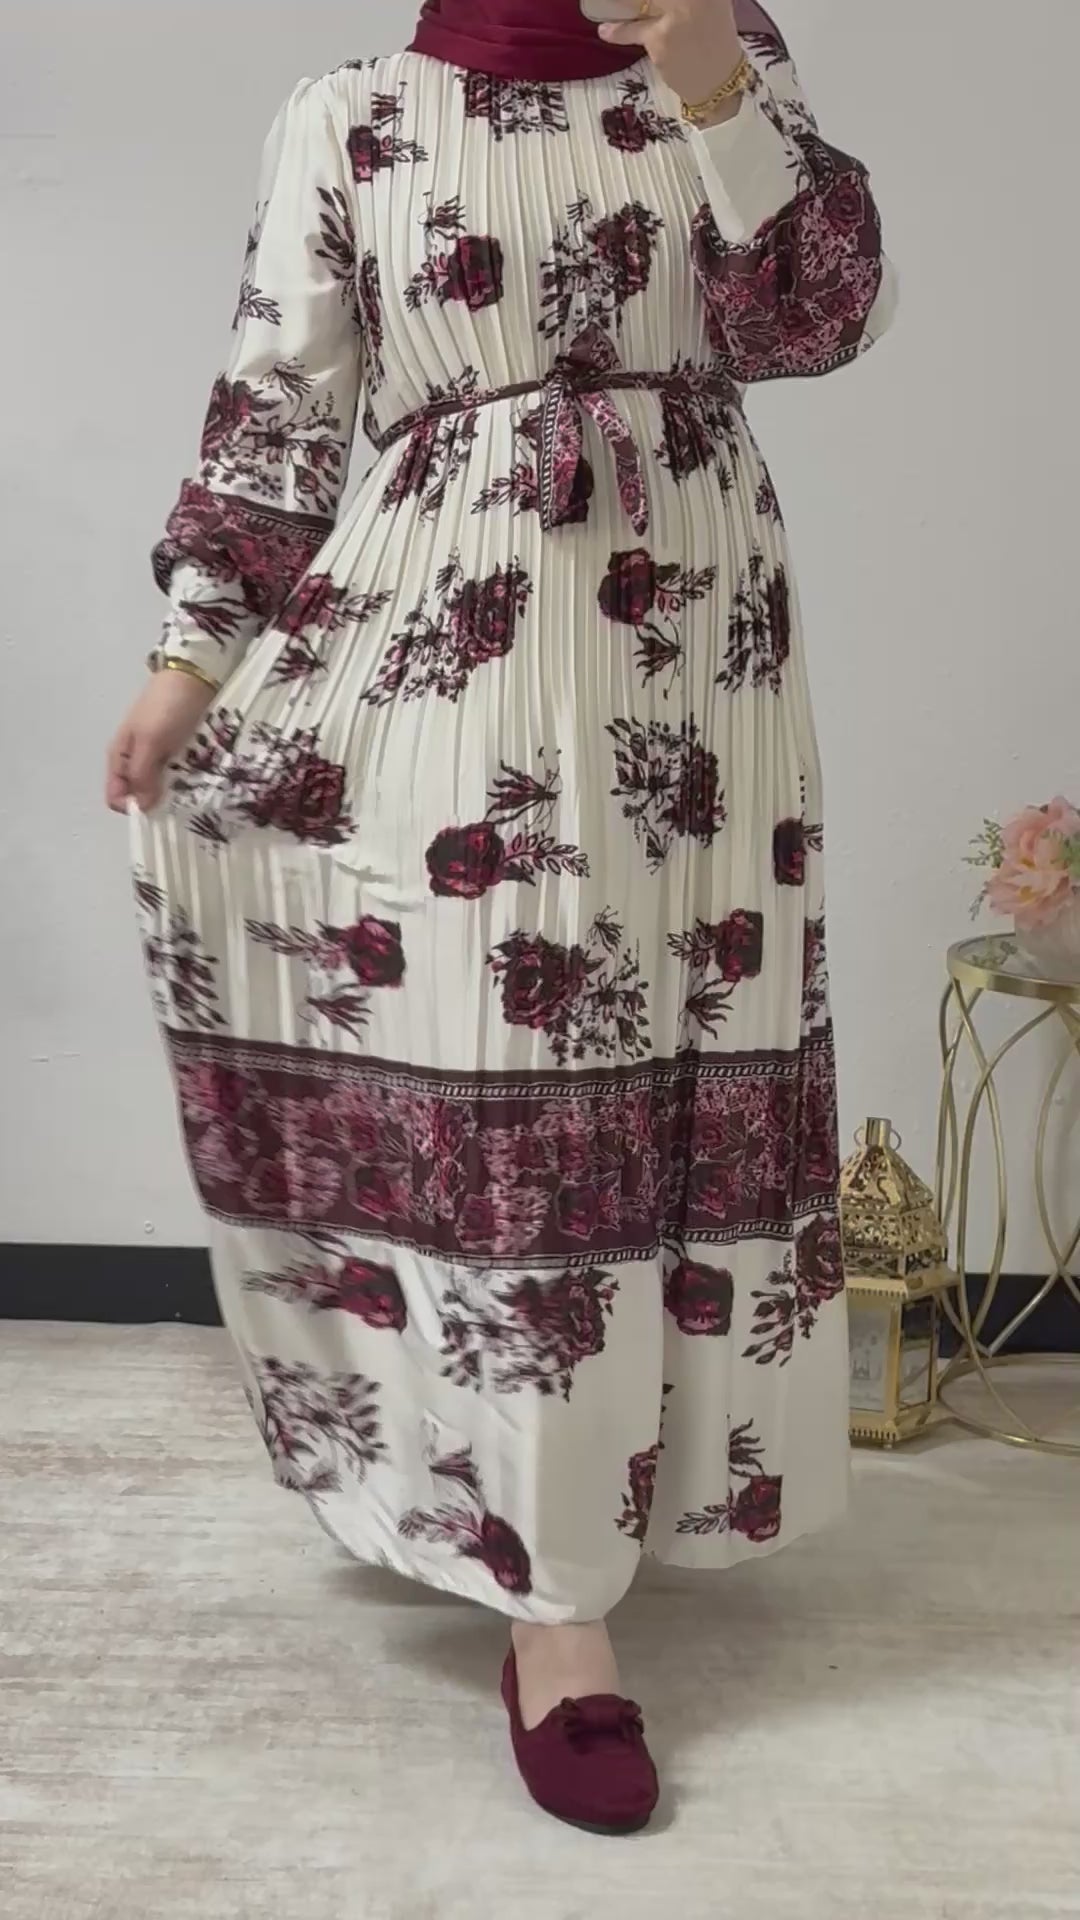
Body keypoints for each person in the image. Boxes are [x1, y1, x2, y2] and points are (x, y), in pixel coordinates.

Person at [105, 0, 895, 1834]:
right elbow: (280, 399)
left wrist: (710, 79)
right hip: (454, 624)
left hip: (699, 649)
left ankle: (639, 1492)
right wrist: (193, 654)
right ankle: (555, 1608)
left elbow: (822, 318)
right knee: (511, 1067)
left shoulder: (722, 57)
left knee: (674, 1064)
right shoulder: (354, 111)